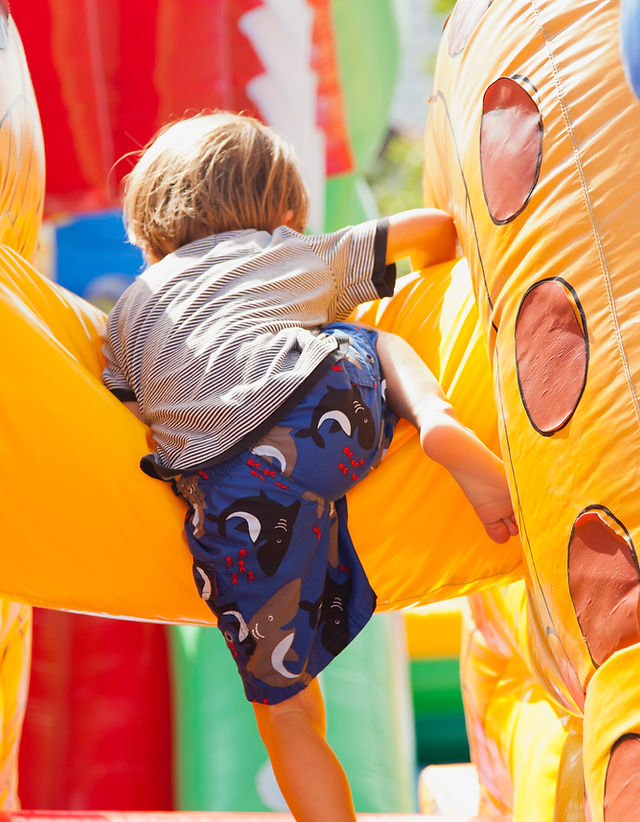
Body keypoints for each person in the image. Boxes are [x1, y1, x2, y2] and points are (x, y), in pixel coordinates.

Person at [103, 111, 517, 822]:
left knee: (286, 710)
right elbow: (427, 229)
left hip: (231, 495)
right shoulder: (284, 251)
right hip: (328, 417)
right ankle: (435, 418)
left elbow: (122, 399)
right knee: (362, 338)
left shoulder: (131, 312)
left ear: (149, 224)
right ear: (285, 208)